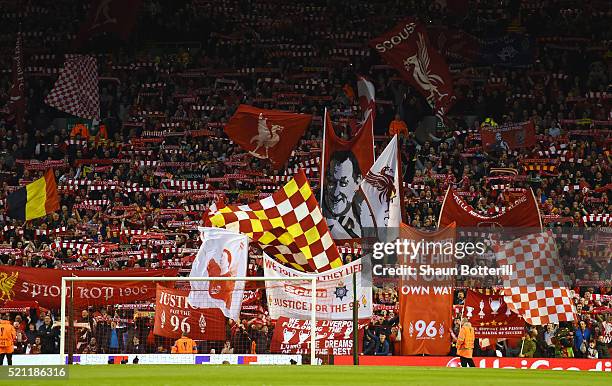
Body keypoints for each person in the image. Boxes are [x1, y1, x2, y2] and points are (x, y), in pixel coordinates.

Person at [322, 150, 371, 239]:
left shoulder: (368, 214)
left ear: (358, 181)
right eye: (332, 182)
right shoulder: (314, 211)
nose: (336, 193)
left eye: (343, 183)